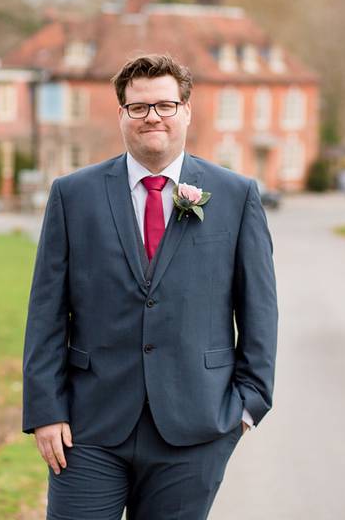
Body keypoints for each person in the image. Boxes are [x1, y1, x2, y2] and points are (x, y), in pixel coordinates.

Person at [22, 54, 277, 519]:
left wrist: (247, 407)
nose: (152, 117)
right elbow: (46, 312)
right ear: (122, 115)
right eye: (138, 108)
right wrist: (45, 410)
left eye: (164, 105)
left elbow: (258, 308)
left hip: (195, 427)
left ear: (186, 111)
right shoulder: (72, 195)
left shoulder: (237, 196)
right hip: (87, 427)